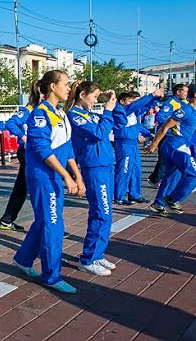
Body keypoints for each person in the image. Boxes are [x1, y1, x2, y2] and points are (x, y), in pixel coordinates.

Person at [13, 70, 86, 295]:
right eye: (65, 84)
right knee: (53, 225)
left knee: (45, 220)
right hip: (44, 178)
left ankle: (23, 259)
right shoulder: (39, 115)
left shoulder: (60, 114)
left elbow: (68, 148)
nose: (68, 88)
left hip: (56, 175)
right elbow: (42, 149)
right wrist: (66, 176)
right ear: (52, 87)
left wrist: (77, 175)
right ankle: (52, 276)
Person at [65, 81, 117, 277]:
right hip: (94, 168)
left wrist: (111, 103)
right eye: (93, 97)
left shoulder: (91, 114)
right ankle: (87, 259)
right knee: (100, 213)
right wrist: (108, 111)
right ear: (82, 95)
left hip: (106, 166)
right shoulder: (74, 115)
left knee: (107, 213)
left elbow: (115, 121)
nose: (96, 101)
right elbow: (98, 133)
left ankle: (97, 254)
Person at [146, 83, 196, 216]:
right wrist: (154, 144)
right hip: (176, 145)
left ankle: (158, 204)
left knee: (171, 176)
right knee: (194, 175)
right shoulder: (185, 110)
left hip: (180, 145)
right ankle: (173, 199)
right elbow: (165, 126)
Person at [0, 80, 41, 231]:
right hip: (28, 152)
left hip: (36, 152)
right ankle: (47, 224)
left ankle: (7, 219)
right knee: (37, 186)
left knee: (22, 187)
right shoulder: (29, 109)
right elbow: (10, 123)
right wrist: (23, 136)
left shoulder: (46, 109)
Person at [112, 89, 165, 205]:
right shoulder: (120, 110)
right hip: (124, 144)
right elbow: (136, 105)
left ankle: (134, 194)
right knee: (124, 170)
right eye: (129, 101)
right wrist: (152, 94)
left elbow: (144, 108)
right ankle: (119, 196)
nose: (132, 104)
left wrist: (156, 99)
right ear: (122, 101)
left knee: (136, 170)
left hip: (132, 145)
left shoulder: (133, 113)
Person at [147, 84, 189, 185]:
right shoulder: (170, 103)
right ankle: (156, 179)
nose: (187, 93)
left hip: (180, 136)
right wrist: (173, 121)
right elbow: (160, 117)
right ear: (178, 92)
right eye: (185, 91)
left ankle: (158, 177)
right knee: (164, 158)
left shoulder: (186, 103)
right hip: (167, 135)